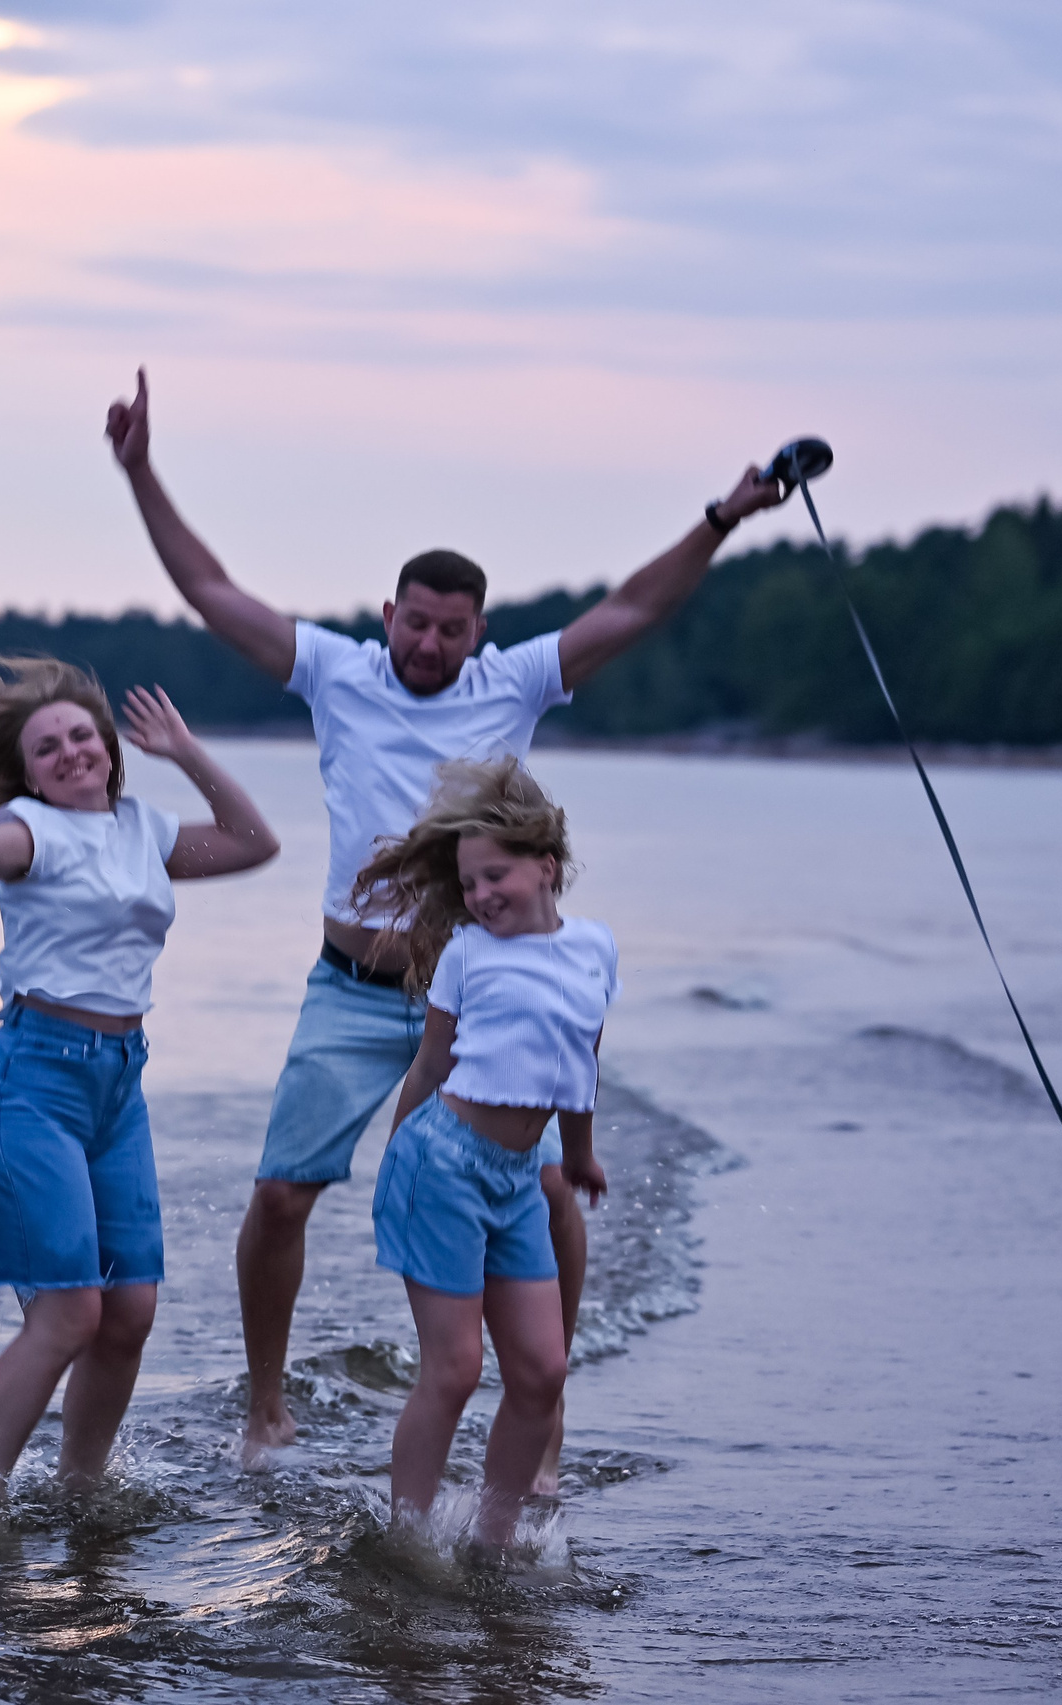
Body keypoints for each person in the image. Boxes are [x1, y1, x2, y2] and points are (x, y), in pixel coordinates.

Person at [103, 367, 786, 1458]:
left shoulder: (511, 684)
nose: (430, 646)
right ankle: (264, 1405)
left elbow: (634, 608)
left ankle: (541, 1413)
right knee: (282, 1195)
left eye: (450, 630)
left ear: (478, 631)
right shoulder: (336, 673)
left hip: (483, 989)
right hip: (352, 986)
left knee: (543, 1181)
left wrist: (719, 520)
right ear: (387, 617)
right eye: (415, 625)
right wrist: (141, 472)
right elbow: (211, 591)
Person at [0, 659, 278, 1518]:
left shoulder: (144, 828)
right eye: (47, 745)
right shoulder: (27, 828)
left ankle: (80, 1491)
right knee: (69, 1313)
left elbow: (254, 842)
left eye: (81, 736)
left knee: (128, 1311)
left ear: (108, 746)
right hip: (32, 1083)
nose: (69, 753)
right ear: (26, 767)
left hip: (117, 1087)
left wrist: (186, 750)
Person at [354, 758, 617, 1551]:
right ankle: (408, 1535)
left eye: (494, 875)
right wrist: (396, 1163)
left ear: (547, 866)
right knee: (457, 1367)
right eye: (469, 883)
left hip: (517, 1179)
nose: (480, 896)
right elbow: (431, 1066)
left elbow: (580, 1062)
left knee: (541, 1371)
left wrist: (580, 1155)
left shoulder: (596, 948)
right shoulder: (469, 952)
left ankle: (492, 1544)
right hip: (443, 1163)